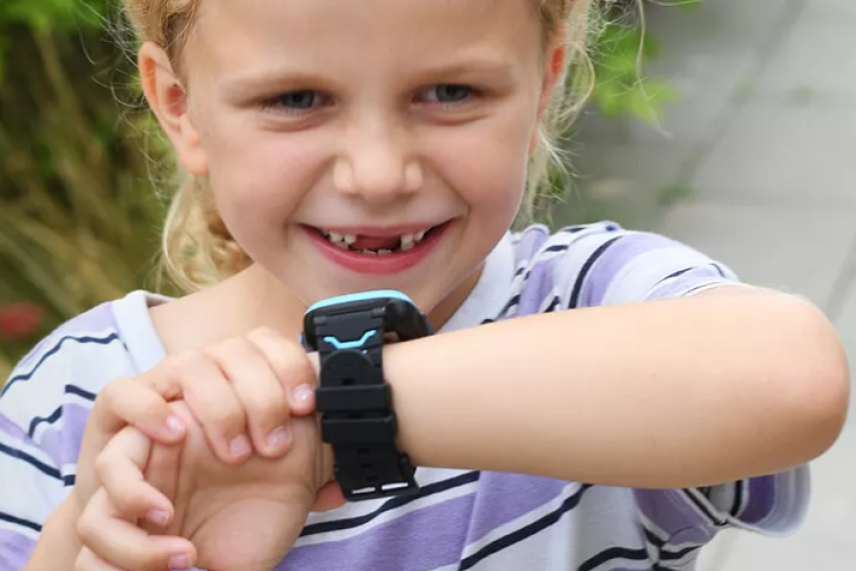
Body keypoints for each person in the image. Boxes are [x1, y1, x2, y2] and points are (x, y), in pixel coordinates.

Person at [1, 0, 850, 570]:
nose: (378, 174)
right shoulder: (75, 400)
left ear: (544, 86)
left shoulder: (589, 304)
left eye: (450, 92)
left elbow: (790, 376)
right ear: (179, 106)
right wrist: (99, 535)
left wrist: (334, 418)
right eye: (296, 98)